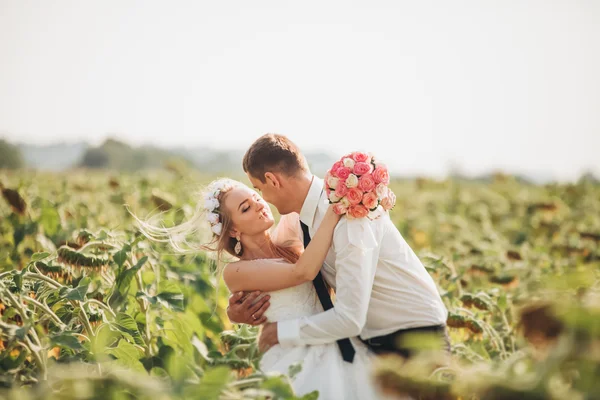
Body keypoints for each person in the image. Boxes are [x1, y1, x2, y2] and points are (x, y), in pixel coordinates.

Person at [133, 178, 380, 399]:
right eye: (245, 208)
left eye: (256, 198)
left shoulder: (287, 239)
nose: (259, 205)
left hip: (331, 338)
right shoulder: (236, 271)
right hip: (292, 358)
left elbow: (304, 198)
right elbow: (302, 272)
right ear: (233, 230)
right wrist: (335, 210)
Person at [229, 133, 450, 360]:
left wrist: (280, 333)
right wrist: (238, 309)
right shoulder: (298, 218)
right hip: (373, 343)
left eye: (259, 189)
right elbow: (268, 262)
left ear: (273, 180)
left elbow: (350, 319)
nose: (264, 199)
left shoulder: (351, 212)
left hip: (418, 340)